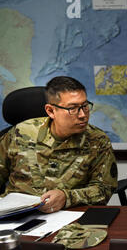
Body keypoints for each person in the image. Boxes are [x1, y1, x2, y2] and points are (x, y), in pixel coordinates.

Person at [0, 76, 118, 213]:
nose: (82, 115)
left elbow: (104, 189)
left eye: (85, 106)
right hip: (14, 217)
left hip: (67, 219)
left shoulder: (97, 141)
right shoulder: (21, 132)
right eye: (73, 108)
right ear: (51, 111)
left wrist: (66, 197)